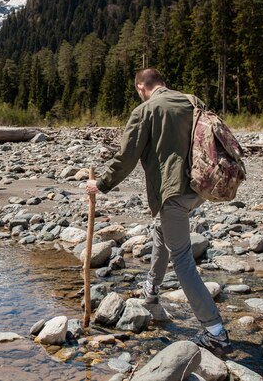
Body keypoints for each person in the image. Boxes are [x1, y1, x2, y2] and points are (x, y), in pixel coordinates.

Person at [86, 68, 233, 357]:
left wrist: (99, 184)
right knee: (161, 230)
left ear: (142, 86)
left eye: (137, 88)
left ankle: (215, 332)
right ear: (164, 83)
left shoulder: (145, 110)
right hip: (199, 188)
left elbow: (127, 156)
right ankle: (151, 293)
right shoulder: (192, 101)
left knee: (181, 258)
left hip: (173, 192)